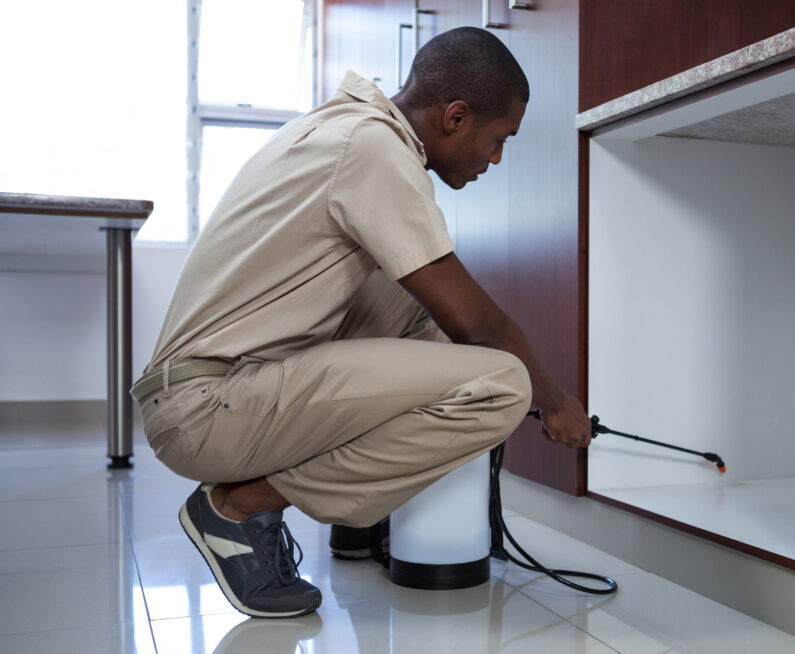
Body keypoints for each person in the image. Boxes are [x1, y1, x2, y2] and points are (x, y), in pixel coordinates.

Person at [132, 26, 591, 618]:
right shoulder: (372, 151)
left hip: (213, 390)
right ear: (456, 117)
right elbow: (479, 324)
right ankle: (239, 508)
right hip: (205, 410)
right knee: (500, 384)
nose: (496, 158)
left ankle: (357, 526)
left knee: (414, 306)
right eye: (498, 139)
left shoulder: (346, 129)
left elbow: (447, 316)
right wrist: (555, 402)